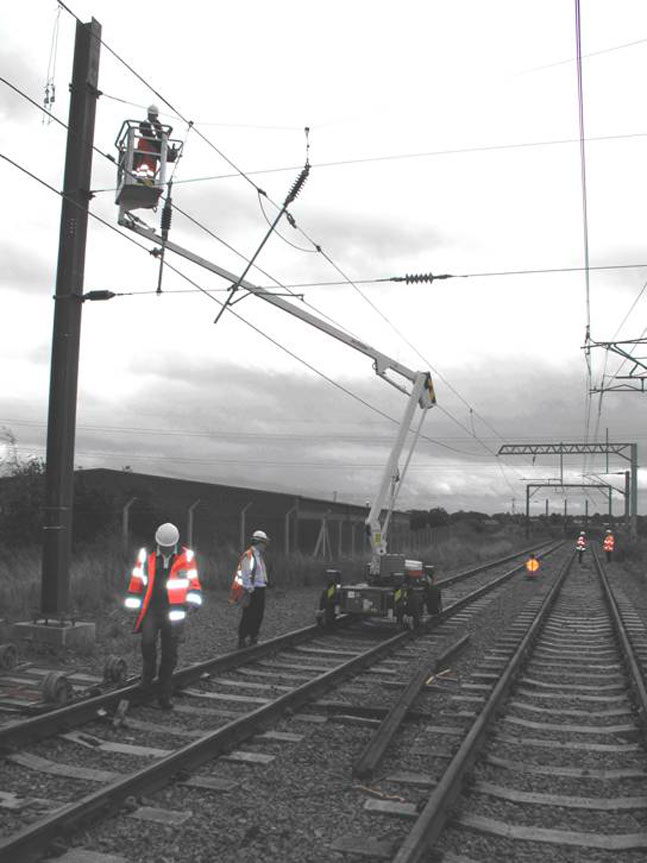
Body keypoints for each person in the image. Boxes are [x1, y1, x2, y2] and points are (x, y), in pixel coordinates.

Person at [124, 522, 202, 709]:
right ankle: (147, 678)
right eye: (163, 546)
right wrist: (133, 599)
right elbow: (137, 578)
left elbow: (193, 582)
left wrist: (193, 601)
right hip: (151, 609)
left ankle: (164, 693)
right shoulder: (146, 555)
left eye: (169, 547)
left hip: (174, 612)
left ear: (174, 544)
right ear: (158, 543)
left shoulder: (186, 557)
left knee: (169, 653)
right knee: (147, 644)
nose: (166, 549)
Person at [236, 529, 270, 649]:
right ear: (259, 543)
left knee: (258, 615)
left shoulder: (258, 556)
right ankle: (242, 638)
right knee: (248, 615)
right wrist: (250, 590)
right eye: (264, 543)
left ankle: (253, 636)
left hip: (260, 589)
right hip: (253, 590)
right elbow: (245, 574)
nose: (265, 546)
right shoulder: (249, 555)